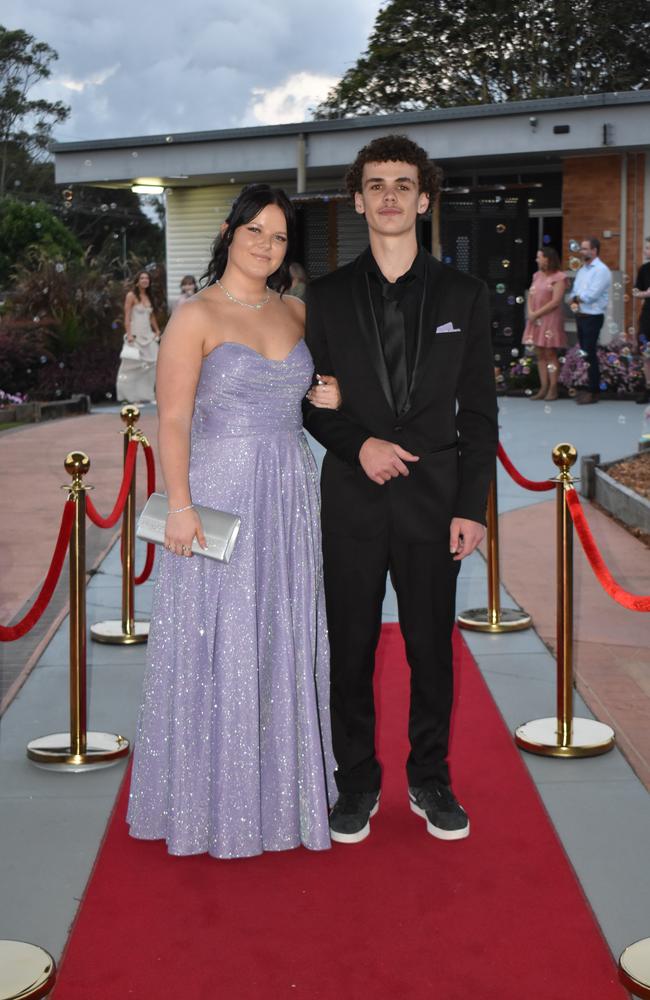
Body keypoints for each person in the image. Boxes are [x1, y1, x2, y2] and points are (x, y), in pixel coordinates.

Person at [127, 184, 340, 859]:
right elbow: (173, 418)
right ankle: (208, 799)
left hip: (290, 490)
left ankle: (280, 792)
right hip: (219, 493)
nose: (266, 246)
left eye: (278, 237)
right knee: (216, 636)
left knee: (281, 630)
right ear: (229, 231)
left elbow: (311, 397)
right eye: (256, 232)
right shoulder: (195, 315)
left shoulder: (298, 311)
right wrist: (178, 505)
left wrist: (328, 394)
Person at [303, 135, 498, 845]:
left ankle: (430, 778)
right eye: (375, 183)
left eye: (403, 183)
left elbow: (479, 413)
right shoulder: (320, 299)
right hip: (352, 499)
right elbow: (308, 402)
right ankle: (355, 783)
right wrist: (361, 444)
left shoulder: (464, 295)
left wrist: (470, 507)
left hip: (434, 504)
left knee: (430, 651)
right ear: (357, 200)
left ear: (423, 197)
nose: (389, 195)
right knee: (349, 648)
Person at [569, 237, 612, 405]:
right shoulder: (582, 270)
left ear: (594, 251)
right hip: (581, 316)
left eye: (585, 249)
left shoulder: (601, 270)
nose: (581, 252)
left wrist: (576, 299)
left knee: (589, 353)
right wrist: (576, 298)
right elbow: (574, 292)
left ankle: (593, 391)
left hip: (593, 317)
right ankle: (588, 387)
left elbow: (591, 296)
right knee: (585, 353)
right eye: (581, 249)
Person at [522, 247, 568, 401]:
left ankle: (553, 388)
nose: (536, 259)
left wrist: (536, 313)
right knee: (539, 353)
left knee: (550, 353)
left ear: (548, 259)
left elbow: (555, 301)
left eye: (539, 257)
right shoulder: (537, 275)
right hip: (536, 319)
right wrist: (530, 312)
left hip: (550, 319)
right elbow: (530, 294)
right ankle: (543, 387)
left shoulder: (559, 277)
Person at [116, 270, 161, 403]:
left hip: (148, 335)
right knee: (134, 365)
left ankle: (147, 395)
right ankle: (132, 397)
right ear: (137, 281)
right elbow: (127, 316)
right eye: (142, 278)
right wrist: (129, 334)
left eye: (147, 278)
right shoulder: (131, 295)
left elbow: (151, 315)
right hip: (135, 335)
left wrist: (157, 330)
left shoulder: (148, 296)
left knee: (155, 362)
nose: (145, 280)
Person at [632, 236, 650, 402]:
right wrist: (645, 293)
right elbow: (635, 292)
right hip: (648, 315)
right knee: (647, 354)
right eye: (646, 248)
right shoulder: (644, 269)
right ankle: (648, 388)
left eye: (649, 248)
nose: (646, 251)